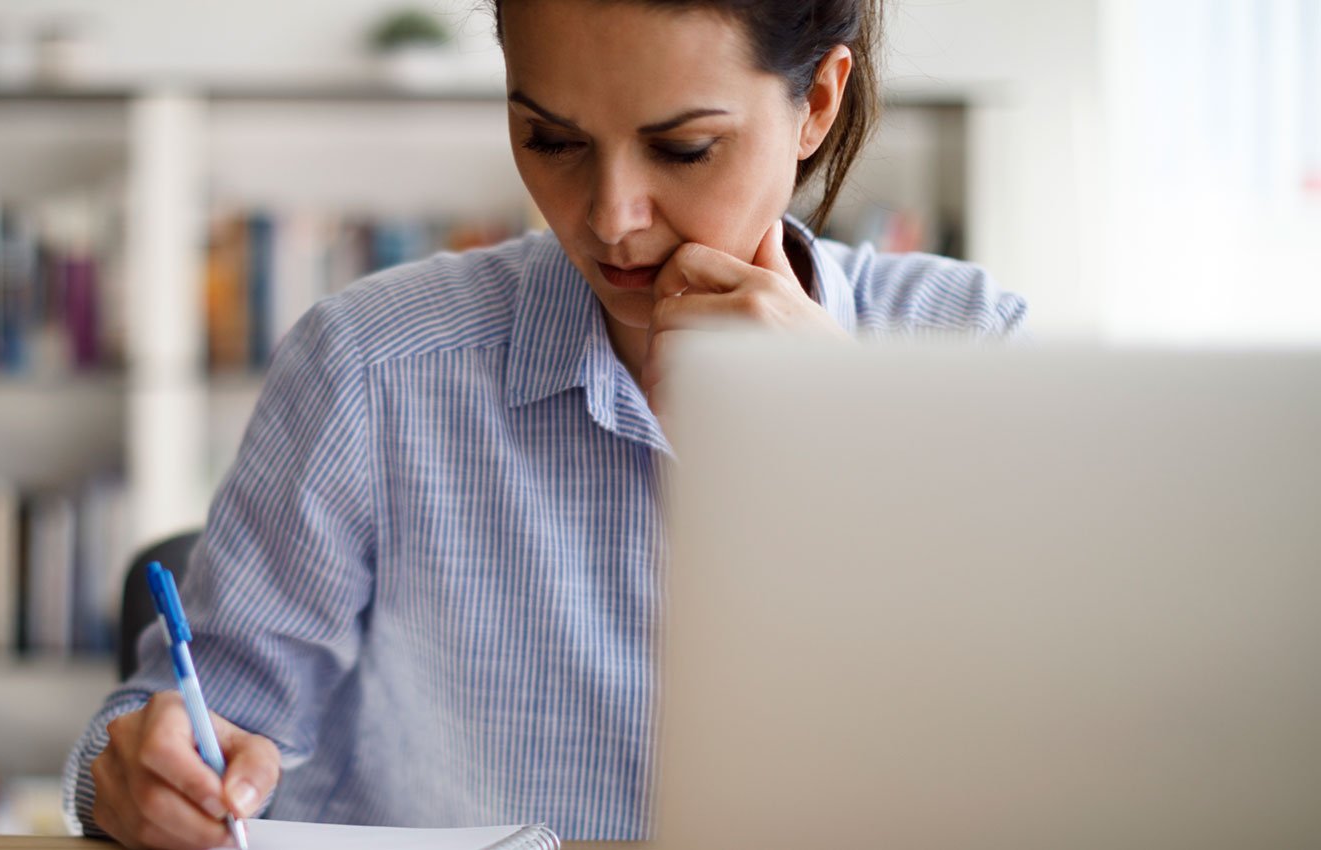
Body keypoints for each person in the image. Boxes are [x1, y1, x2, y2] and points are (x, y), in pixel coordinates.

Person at [64, 0, 1026, 846]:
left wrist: (852, 447)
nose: (611, 218)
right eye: (551, 140)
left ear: (816, 101)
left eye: (682, 148)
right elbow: (185, 730)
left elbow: (1042, 761)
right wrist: (141, 777)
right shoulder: (369, 366)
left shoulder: (969, 348)